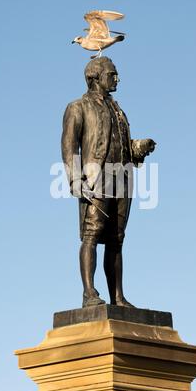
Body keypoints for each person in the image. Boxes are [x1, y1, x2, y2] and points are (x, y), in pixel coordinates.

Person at [61, 57, 155, 308]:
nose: (117, 79)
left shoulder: (118, 109)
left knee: (117, 239)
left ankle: (118, 297)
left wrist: (138, 148)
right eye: (112, 74)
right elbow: (70, 146)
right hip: (95, 177)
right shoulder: (78, 107)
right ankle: (89, 293)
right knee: (92, 234)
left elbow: (123, 145)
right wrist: (75, 178)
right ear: (95, 77)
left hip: (122, 178)